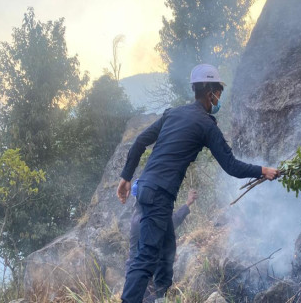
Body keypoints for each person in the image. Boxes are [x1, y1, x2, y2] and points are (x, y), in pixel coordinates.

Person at [116, 63, 279, 303]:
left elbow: (140, 141)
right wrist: (262, 170)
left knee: (167, 249)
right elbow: (231, 166)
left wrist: (126, 177)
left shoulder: (172, 113)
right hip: (159, 195)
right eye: (219, 91)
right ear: (209, 91)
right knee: (146, 257)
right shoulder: (205, 124)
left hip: (148, 189)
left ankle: (158, 297)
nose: (219, 96)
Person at [125, 180, 197, 302]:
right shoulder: (142, 219)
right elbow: (171, 222)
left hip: (144, 272)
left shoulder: (143, 214)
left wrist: (187, 204)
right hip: (141, 275)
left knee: (159, 296)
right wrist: (187, 204)